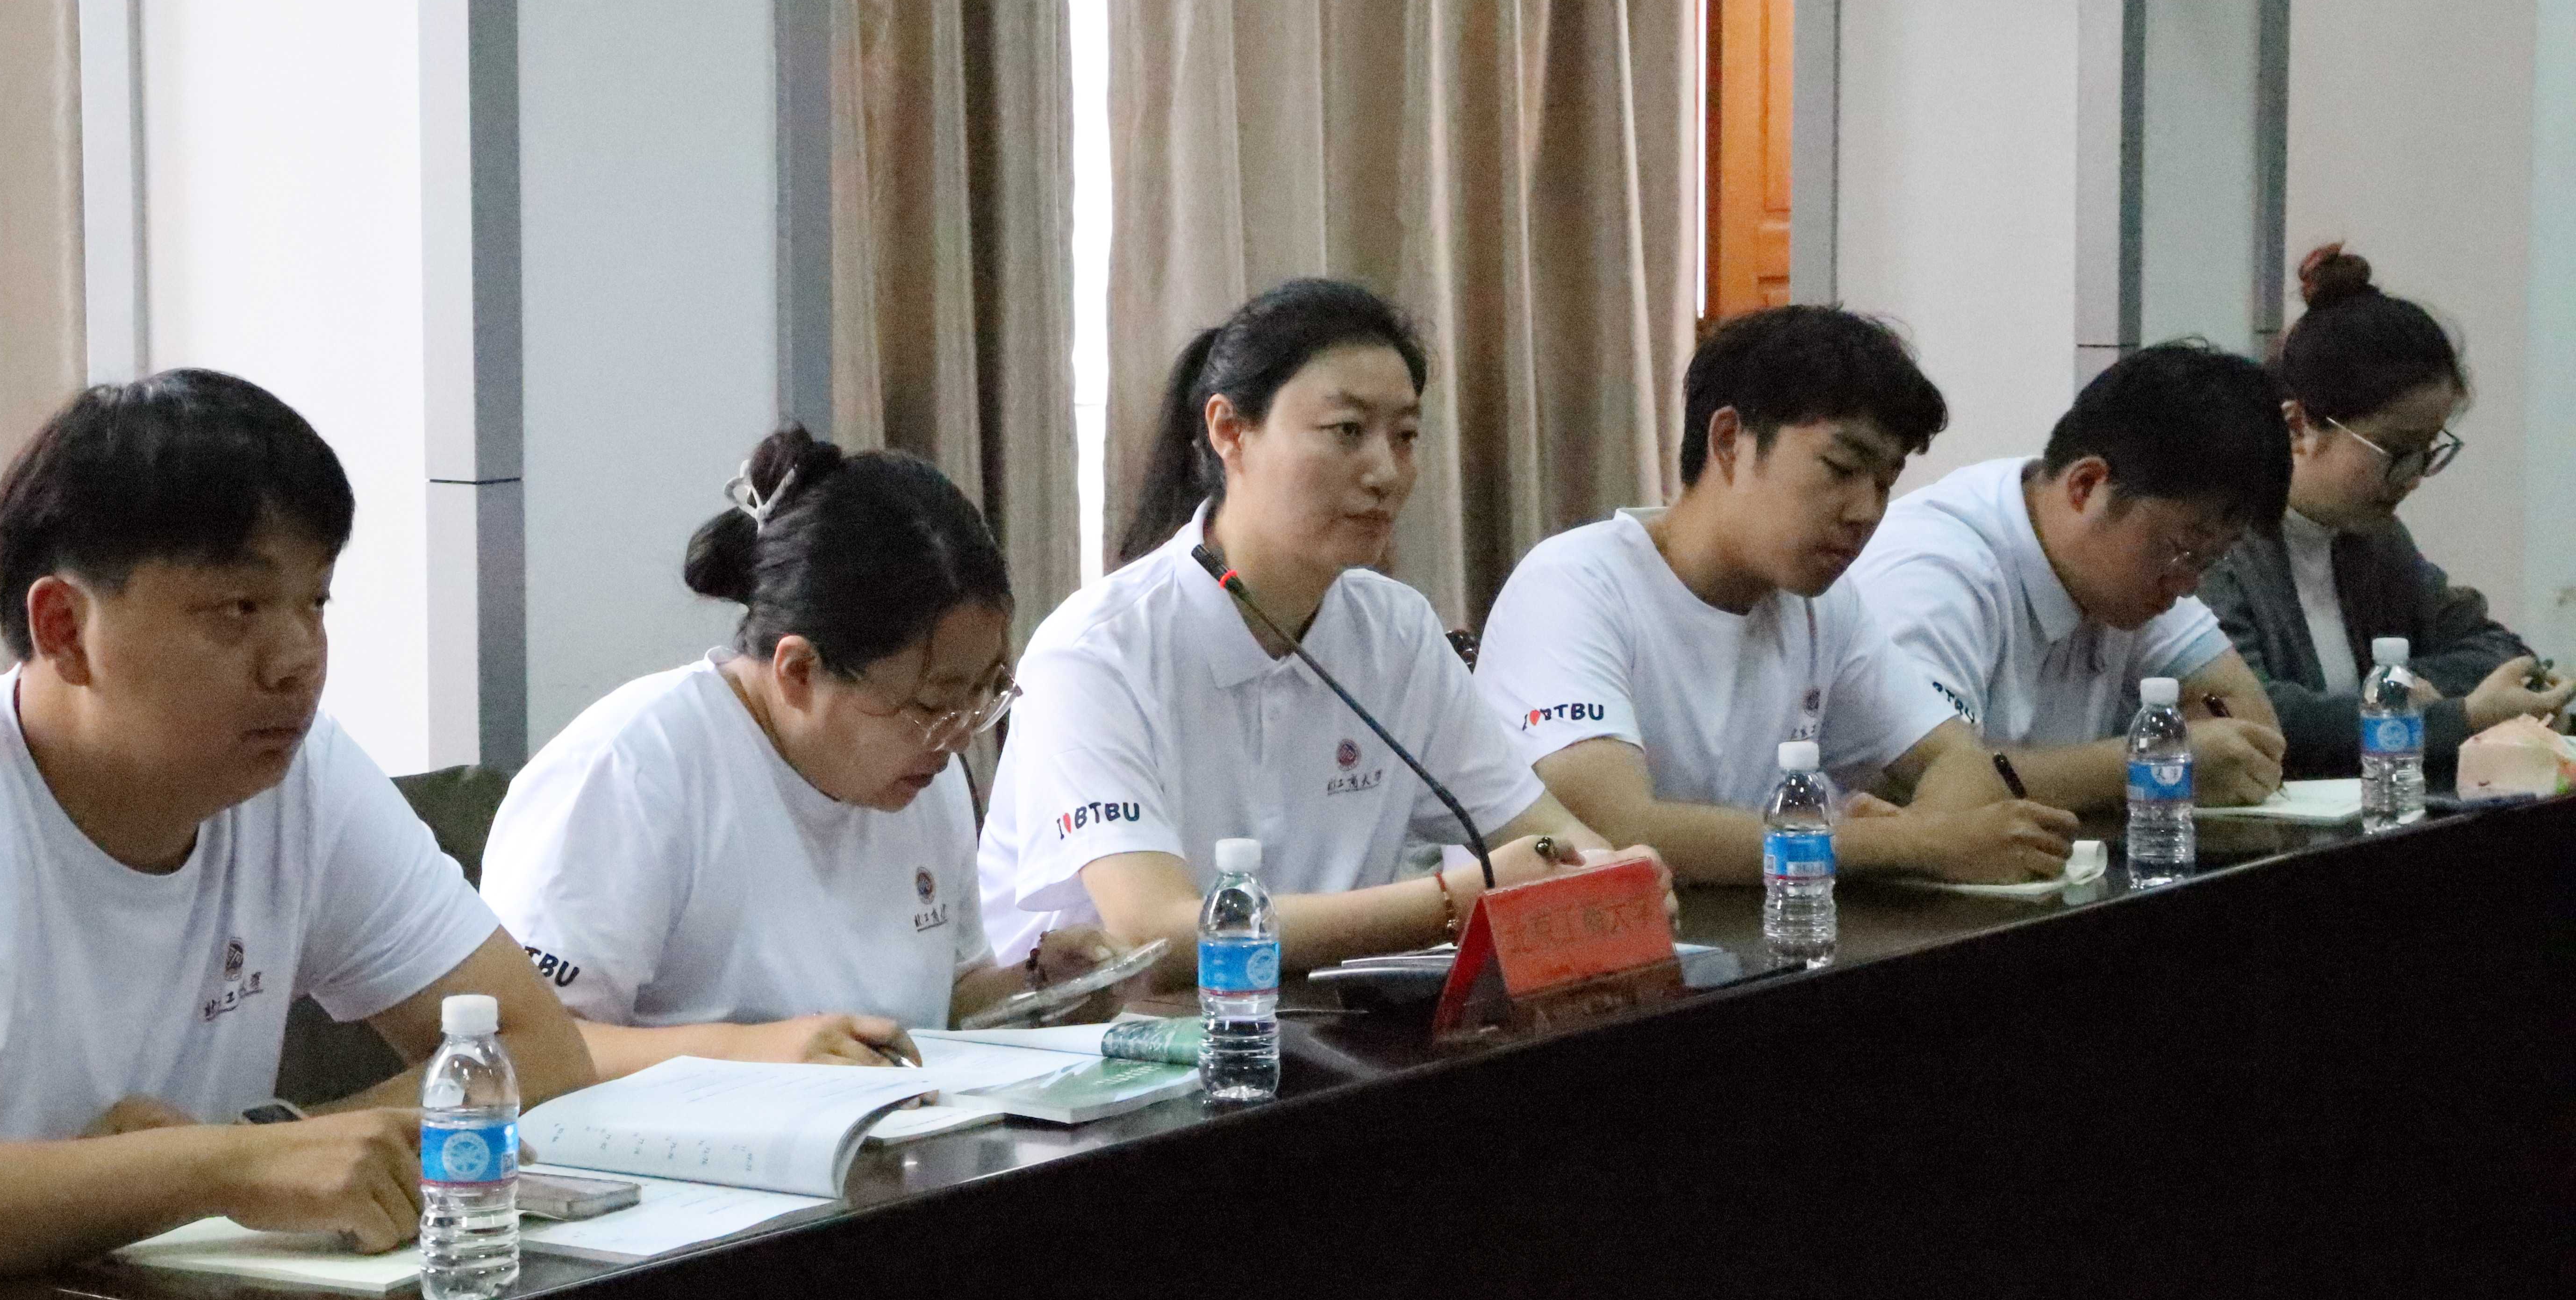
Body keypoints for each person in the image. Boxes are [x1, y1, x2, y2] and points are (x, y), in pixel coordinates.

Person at [0, 371, 592, 1279]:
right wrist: (212, 1169)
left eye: (315, 601)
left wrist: (267, 1151)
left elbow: (537, 1047)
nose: (299, 660)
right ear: (65, 628)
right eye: (238, 609)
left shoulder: (303, 777)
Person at [979, 279, 1661, 976]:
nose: (1386, 472)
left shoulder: (1397, 630)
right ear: (1229, 431)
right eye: (1347, 432)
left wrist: (1615, 873)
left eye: (1405, 436)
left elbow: (1543, 832)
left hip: (1320, 1024)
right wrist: (1454, 901)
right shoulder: (1094, 652)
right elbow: (1155, 935)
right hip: (1110, 1035)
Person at [481, 427, 1131, 1078]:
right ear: (798, 672)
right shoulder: (631, 771)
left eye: (984, 693)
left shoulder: (925, 775)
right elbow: (514, 1048)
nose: (960, 736)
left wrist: (1039, 988)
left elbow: (938, 1006)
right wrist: (752, 1053)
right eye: (934, 704)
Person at [1473, 307, 2077, 884]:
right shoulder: (1574, 584)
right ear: (1729, 440)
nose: (1866, 512)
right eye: (1841, 469)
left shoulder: (1822, 606)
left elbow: (1958, 758)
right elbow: (1615, 830)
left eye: (1885, 483)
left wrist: (1927, 834)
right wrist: (1912, 844)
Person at [1850, 342, 2292, 814]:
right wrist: (2148, 765)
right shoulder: (1933, 571)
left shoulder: (2131, 560)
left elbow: (2253, 734)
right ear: (2086, 487)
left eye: (2209, 561)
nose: (2187, 586)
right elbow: (1923, 787)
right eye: (2185, 551)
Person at [2200, 246, 2572, 776]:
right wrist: (2454, 716)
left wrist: (2401, 688)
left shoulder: (2376, 539)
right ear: (2299, 426)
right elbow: (2259, 715)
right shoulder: (2216, 545)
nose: (2414, 477)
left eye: (2427, 451)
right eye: (2396, 452)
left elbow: (2499, 650)